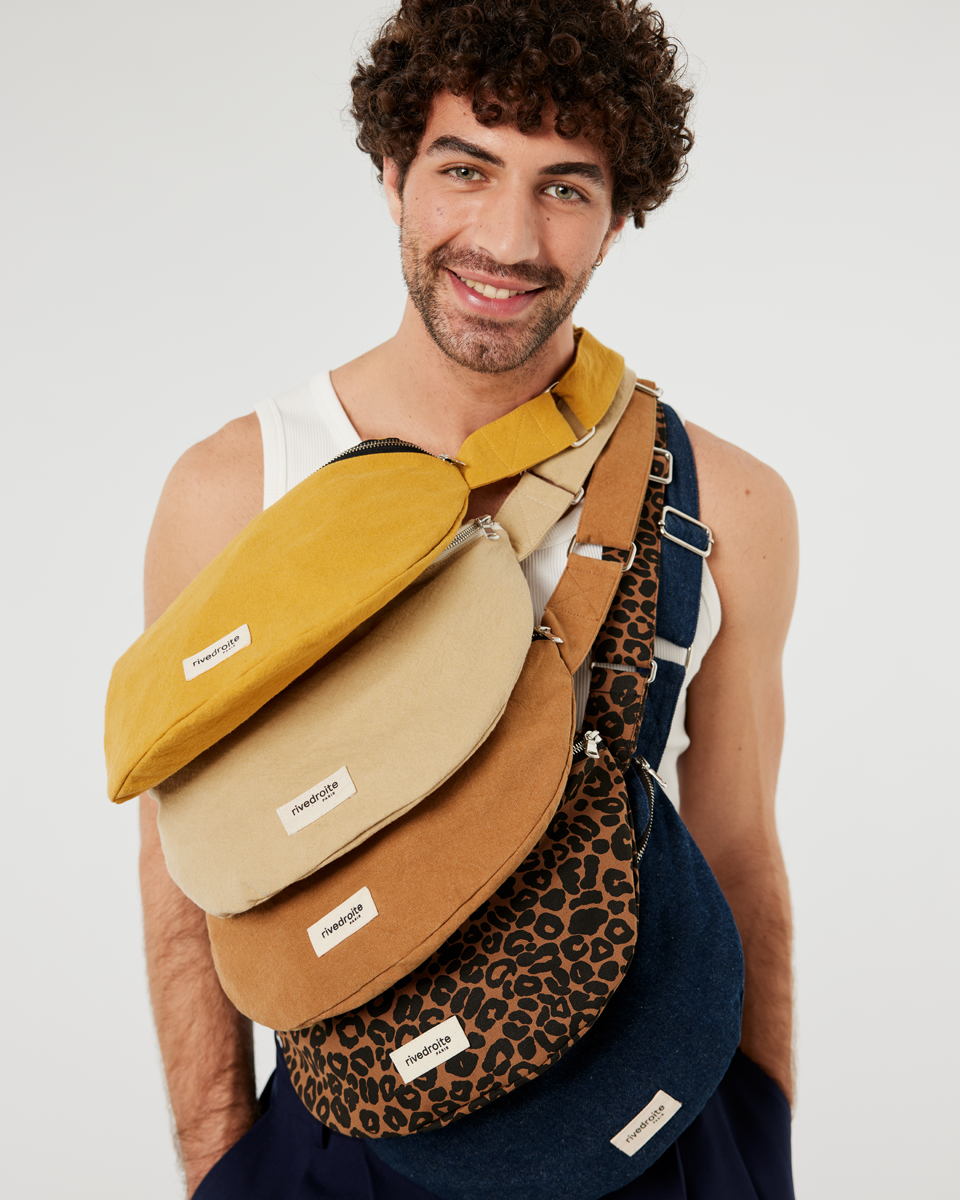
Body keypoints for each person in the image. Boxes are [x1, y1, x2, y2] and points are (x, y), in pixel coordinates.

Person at [138, 2, 798, 1196]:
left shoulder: (728, 503)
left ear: (618, 216)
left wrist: (755, 1149)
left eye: (565, 186)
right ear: (393, 174)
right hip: (337, 1140)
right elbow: (189, 871)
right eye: (465, 168)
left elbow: (740, 850)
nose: (507, 237)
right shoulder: (237, 488)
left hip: (654, 1137)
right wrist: (223, 1163)